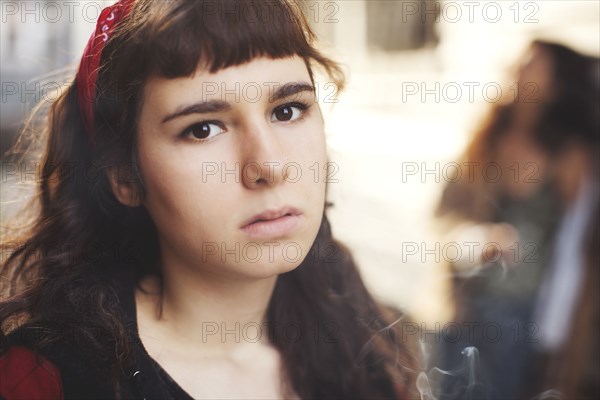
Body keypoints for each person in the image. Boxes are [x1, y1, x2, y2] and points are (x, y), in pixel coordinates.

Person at [0, 1, 419, 399]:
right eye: (203, 129)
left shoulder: (360, 352)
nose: (269, 165)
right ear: (124, 176)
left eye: (287, 111)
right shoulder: (42, 382)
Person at [435, 40, 599, 399]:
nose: (517, 66)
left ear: (556, 83)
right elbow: (445, 215)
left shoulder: (571, 156)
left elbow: (575, 255)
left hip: (521, 316)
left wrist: (561, 337)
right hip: (463, 305)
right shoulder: (487, 136)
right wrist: (474, 238)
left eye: (532, 63)